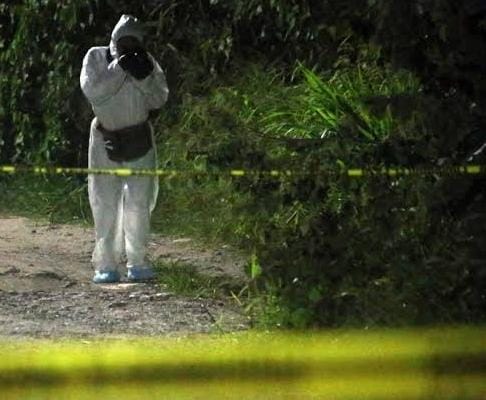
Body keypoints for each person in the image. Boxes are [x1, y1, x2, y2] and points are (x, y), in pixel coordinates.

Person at [80, 14, 169, 283]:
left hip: (139, 138)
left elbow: (159, 98)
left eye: (134, 42)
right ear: (115, 40)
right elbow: (93, 91)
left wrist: (143, 77)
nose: (129, 46)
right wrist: (120, 67)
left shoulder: (147, 62)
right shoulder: (97, 57)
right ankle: (106, 264)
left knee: (139, 203)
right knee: (104, 201)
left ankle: (137, 262)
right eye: (124, 42)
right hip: (104, 139)